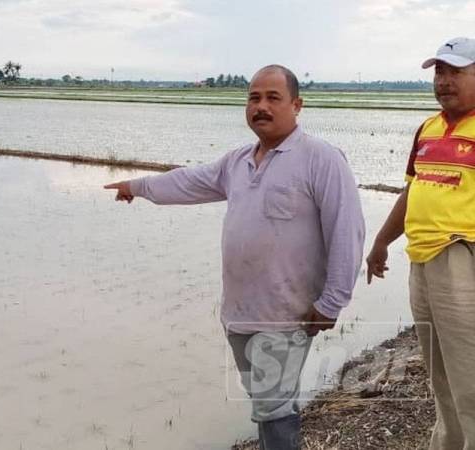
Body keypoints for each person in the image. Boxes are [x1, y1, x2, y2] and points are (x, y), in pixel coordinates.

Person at [105, 65, 365, 450]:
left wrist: (332, 301)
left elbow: (348, 230)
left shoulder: (321, 159)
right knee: (266, 401)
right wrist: (137, 185)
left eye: (273, 98)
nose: (261, 106)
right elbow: (190, 181)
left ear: (297, 105)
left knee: (273, 406)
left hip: (287, 313)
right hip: (240, 312)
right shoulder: (238, 161)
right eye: (254, 97)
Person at [366, 37, 475, 450]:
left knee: (470, 372)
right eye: (439, 72)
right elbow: (412, 191)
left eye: (456, 72)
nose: (444, 81)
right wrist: (381, 241)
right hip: (423, 262)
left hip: (461, 256)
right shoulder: (428, 129)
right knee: (440, 371)